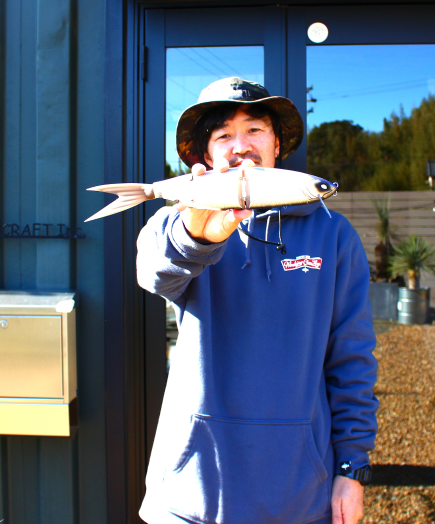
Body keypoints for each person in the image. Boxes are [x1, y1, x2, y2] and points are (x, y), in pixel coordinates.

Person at [137, 77, 379, 524]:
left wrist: (352, 467)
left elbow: (352, 359)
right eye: (224, 135)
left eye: (254, 130)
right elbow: (154, 271)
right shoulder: (177, 221)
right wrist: (197, 235)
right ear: (205, 155)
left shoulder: (333, 234)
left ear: (277, 144)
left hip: (299, 496)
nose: (240, 146)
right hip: (190, 496)